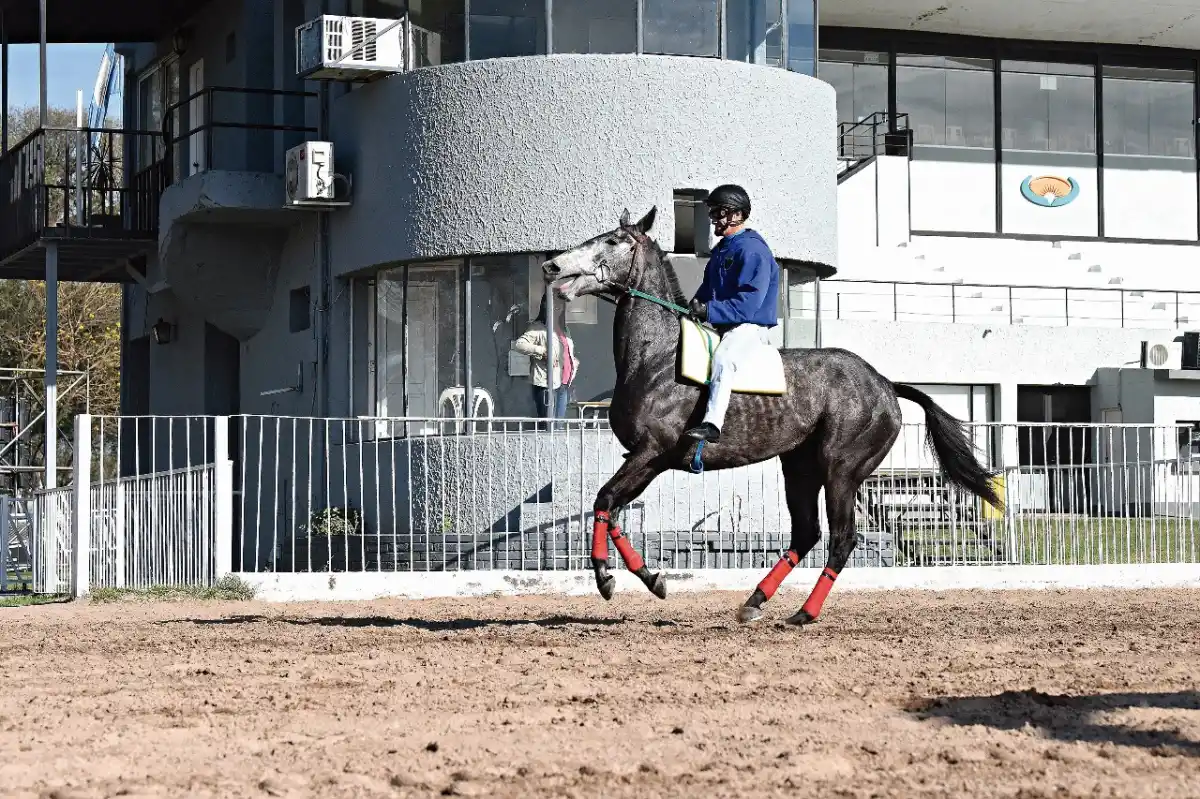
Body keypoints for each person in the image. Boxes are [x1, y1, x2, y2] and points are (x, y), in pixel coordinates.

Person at [684, 184, 780, 444]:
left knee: (724, 359)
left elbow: (747, 305)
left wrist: (708, 310)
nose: (714, 218)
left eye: (719, 212)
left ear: (736, 215)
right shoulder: (723, 249)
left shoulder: (752, 250)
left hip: (747, 326)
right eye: (713, 212)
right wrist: (692, 306)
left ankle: (712, 425)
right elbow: (707, 289)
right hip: (724, 322)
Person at [512, 292, 580, 419]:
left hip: (564, 384)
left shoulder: (564, 329)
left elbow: (565, 351)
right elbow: (519, 344)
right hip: (546, 384)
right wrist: (542, 352)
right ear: (545, 306)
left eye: (560, 306)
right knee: (548, 428)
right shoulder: (538, 327)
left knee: (558, 427)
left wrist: (573, 361)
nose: (557, 309)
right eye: (553, 305)